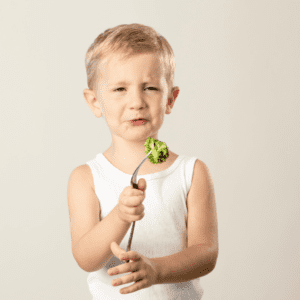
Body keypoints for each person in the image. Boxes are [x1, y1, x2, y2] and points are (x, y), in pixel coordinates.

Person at [67, 23, 219, 299]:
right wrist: (120, 217)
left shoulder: (192, 172)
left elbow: (206, 254)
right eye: (120, 89)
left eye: (150, 87)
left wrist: (156, 270)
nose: (136, 101)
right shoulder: (86, 178)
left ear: (170, 99)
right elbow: (86, 258)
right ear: (94, 102)